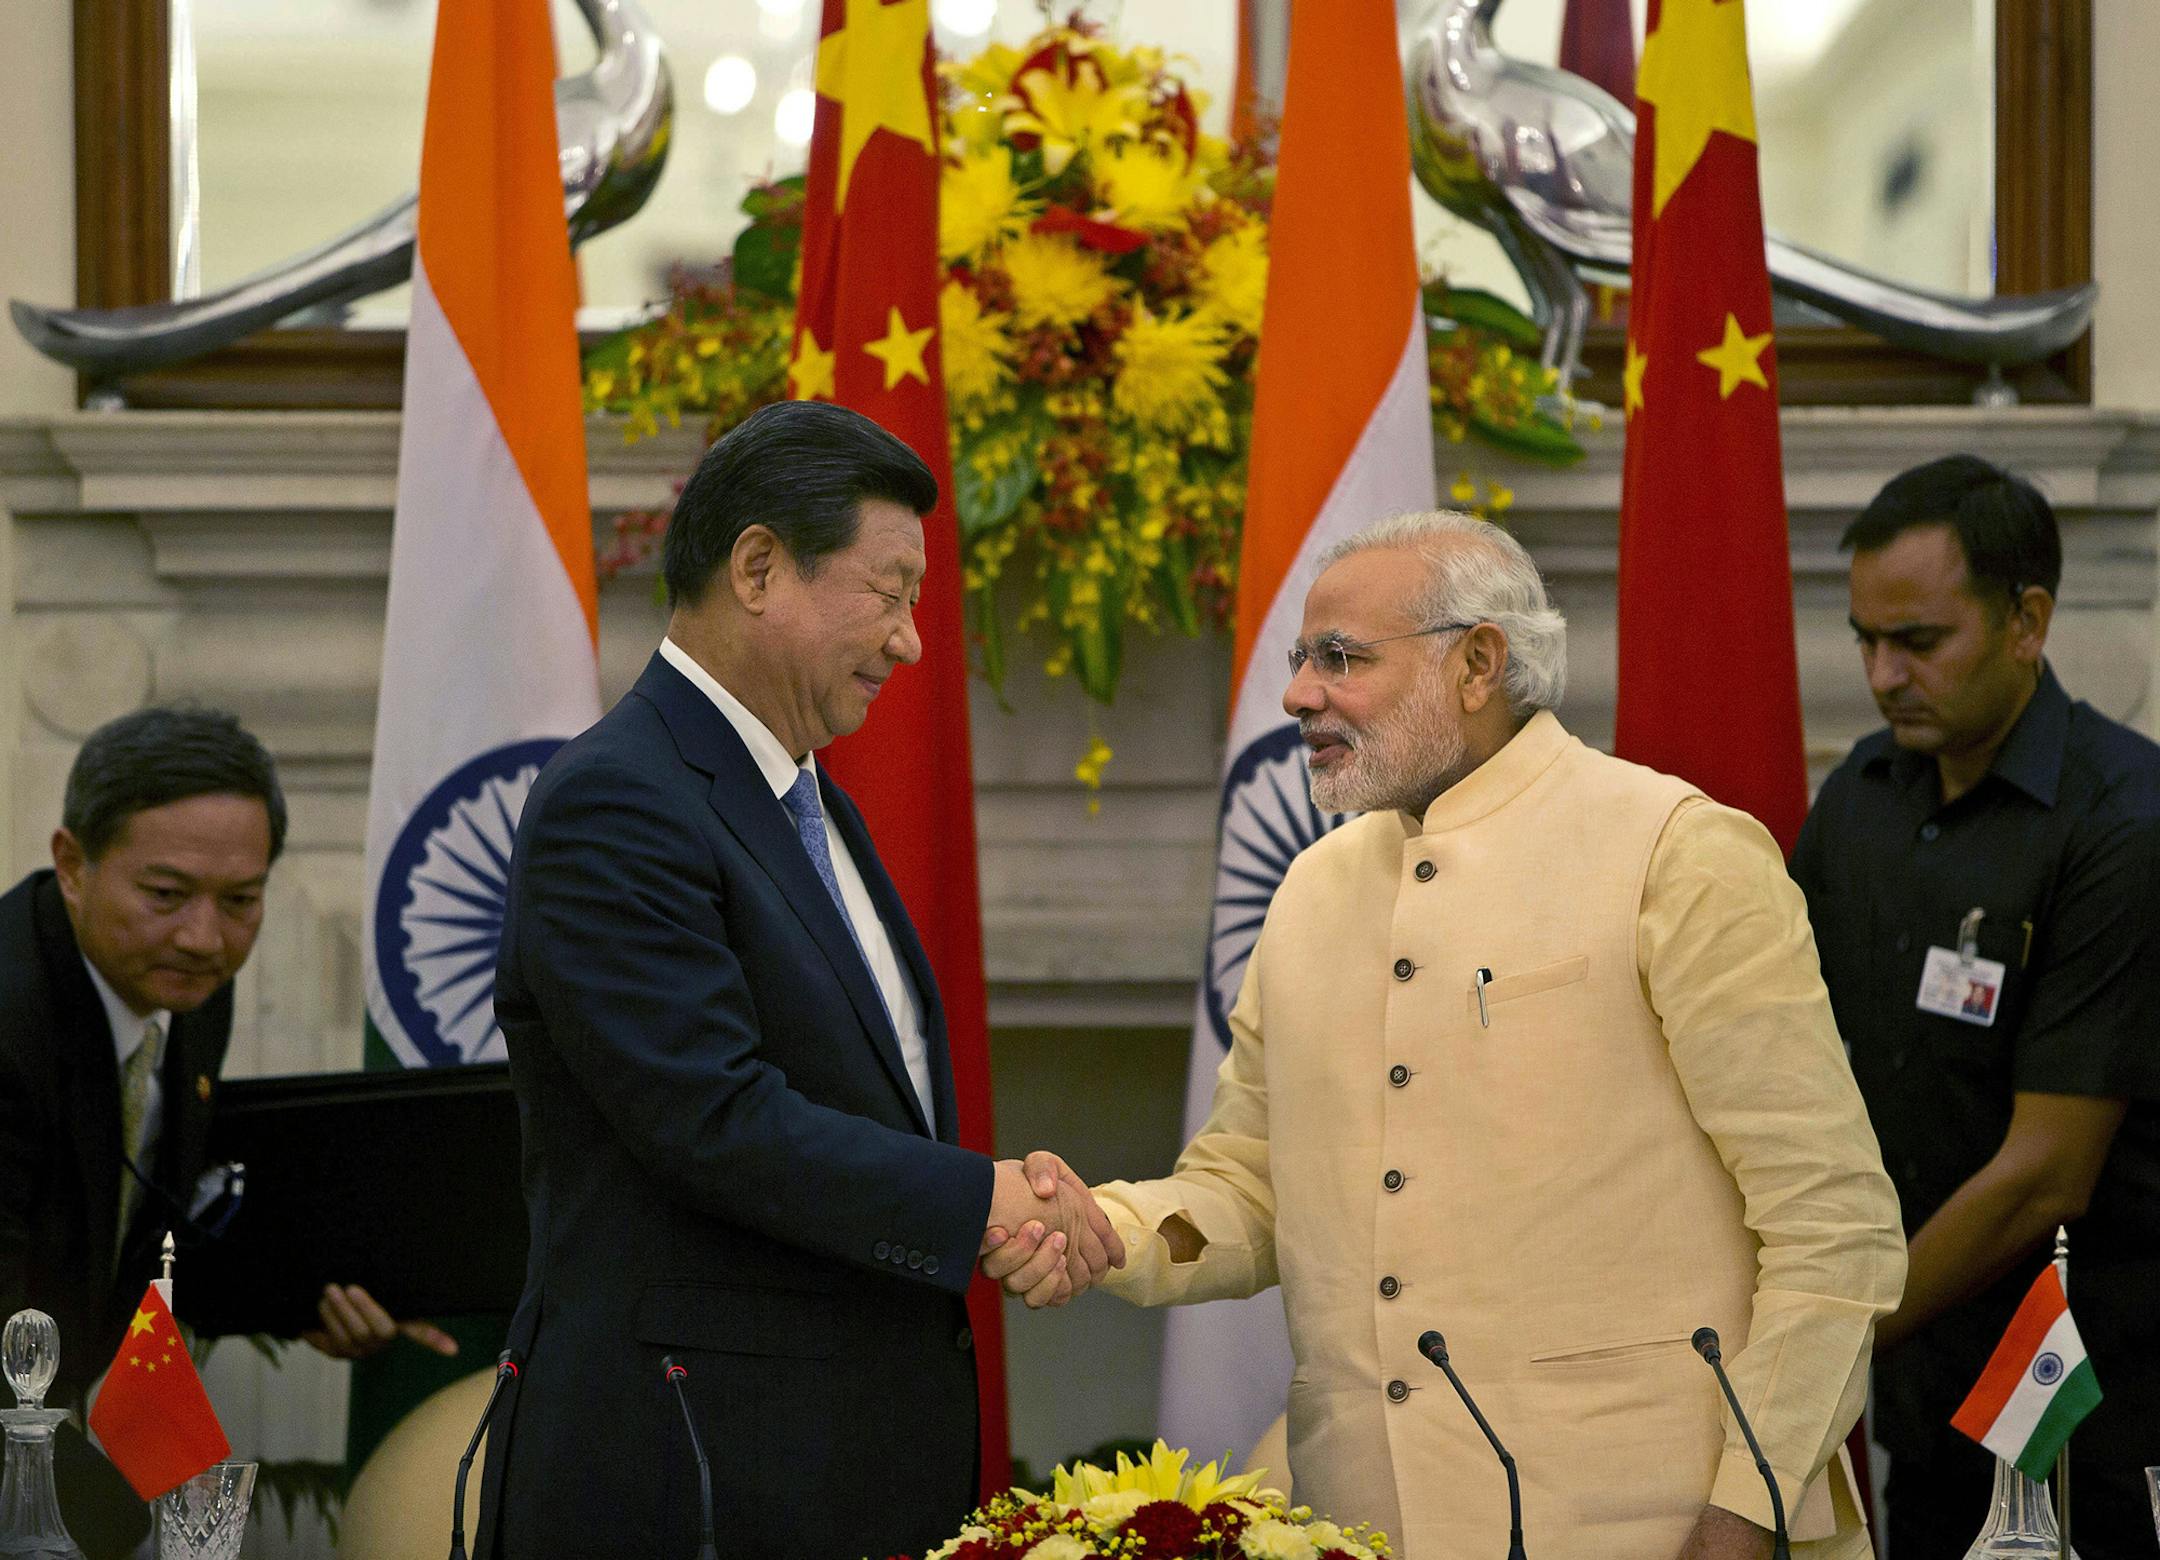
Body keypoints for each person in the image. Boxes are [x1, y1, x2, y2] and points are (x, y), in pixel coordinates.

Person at [1012, 512, 1906, 1560]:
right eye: (1303, 660)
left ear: (1479, 662)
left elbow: (1833, 1229)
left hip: (1661, 1531)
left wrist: (1748, 1507)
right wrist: (1107, 1227)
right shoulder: (1312, 890)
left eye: (1341, 659)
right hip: (1367, 1525)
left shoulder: (1675, 852)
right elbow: (1253, 1184)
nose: (1298, 694)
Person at [478, 401, 1121, 1560]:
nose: (912, 639)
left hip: (825, 1469)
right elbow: (711, 1119)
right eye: (889, 592)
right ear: (760, 566)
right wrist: (985, 1203)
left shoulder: (812, 804)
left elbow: (868, 1101)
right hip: (692, 1480)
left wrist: (982, 1198)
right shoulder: (618, 800)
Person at [1790, 456, 2160, 1560]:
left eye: (1918, 640)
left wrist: (1837, 1329)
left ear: (2026, 622)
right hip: (1927, 1388)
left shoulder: (2123, 824)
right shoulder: (1860, 795)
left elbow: (2048, 1169)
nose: (1882, 672)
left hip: (2084, 1398)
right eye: (1866, 639)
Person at [0, 705, 454, 1559]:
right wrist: (120, 1532)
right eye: (165, 895)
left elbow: (139, 1208)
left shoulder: (178, 982)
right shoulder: (9, 1027)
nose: (207, 938)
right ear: (71, 864)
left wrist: (301, 1299)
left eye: (241, 901)